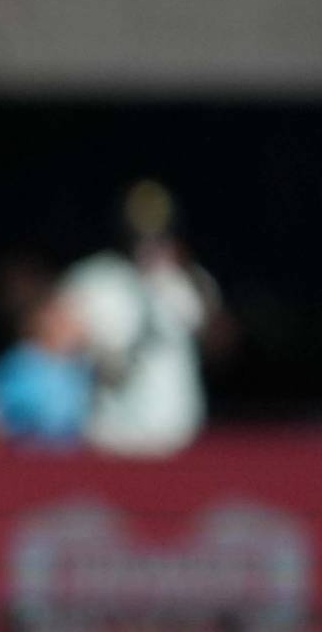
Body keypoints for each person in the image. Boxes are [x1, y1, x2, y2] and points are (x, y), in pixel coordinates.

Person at [59, 180, 231, 459]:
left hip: (178, 440)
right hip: (111, 441)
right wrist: (99, 360)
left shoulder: (188, 281)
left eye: (158, 232)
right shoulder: (94, 279)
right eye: (139, 233)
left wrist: (194, 289)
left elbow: (223, 348)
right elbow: (51, 351)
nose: (148, 242)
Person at [0, 251, 88, 455]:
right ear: (42, 321)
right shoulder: (24, 367)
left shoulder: (83, 366)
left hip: (74, 470)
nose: (72, 323)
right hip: (32, 473)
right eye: (60, 317)